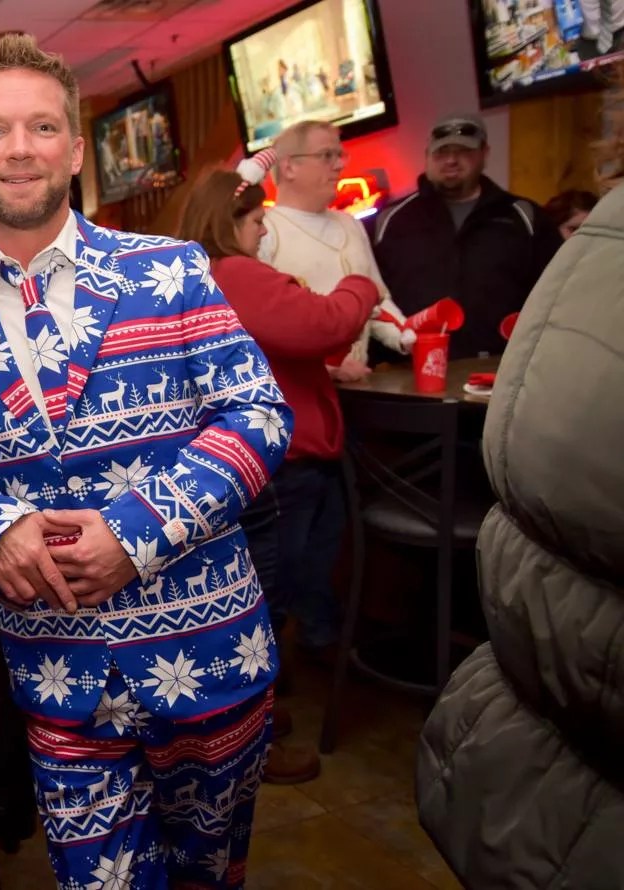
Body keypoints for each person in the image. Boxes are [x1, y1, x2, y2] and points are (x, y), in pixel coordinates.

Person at [0, 33, 290, 888]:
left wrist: (135, 532)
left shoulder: (171, 270)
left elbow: (259, 414)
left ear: (76, 152)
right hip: (57, 666)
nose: (20, 149)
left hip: (207, 651)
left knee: (208, 878)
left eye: (42, 127)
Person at [416, 133, 624, 890]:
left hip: (518, 727)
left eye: (466, 146)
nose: (453, 156)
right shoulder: (399, 220)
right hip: (547, 718)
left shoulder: (549, 231)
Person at [179, 165, 384, 785]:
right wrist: (361, 283)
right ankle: (247, 742)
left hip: (248, 461)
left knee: (256, 600)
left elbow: (281, 344)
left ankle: (254, 720)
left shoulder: (195, 274)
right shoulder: (234, 272)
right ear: (229, 222)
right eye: (256, 219)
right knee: (260, 607)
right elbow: (321, 324)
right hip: (273, 464)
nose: (263, 231)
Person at [373, 113, 561, 360]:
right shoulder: (390, 220)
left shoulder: (525, 217)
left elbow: (556, 295)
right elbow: (373, 300)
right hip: (411, 368)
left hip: (501, 367)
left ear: (484, 153)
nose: (451, 160)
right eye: (441, 152)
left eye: (463, 151)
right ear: (427, 156)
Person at [260, 121, 411, 380]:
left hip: (358, 387)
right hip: (302, 392)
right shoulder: (264, 230)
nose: (340, 165)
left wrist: (408, 336)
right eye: (326, 155)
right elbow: (263, 326)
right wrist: (328, 368)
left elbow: (376, 300)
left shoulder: (350, 224)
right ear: (289, 167)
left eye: (340, 155)